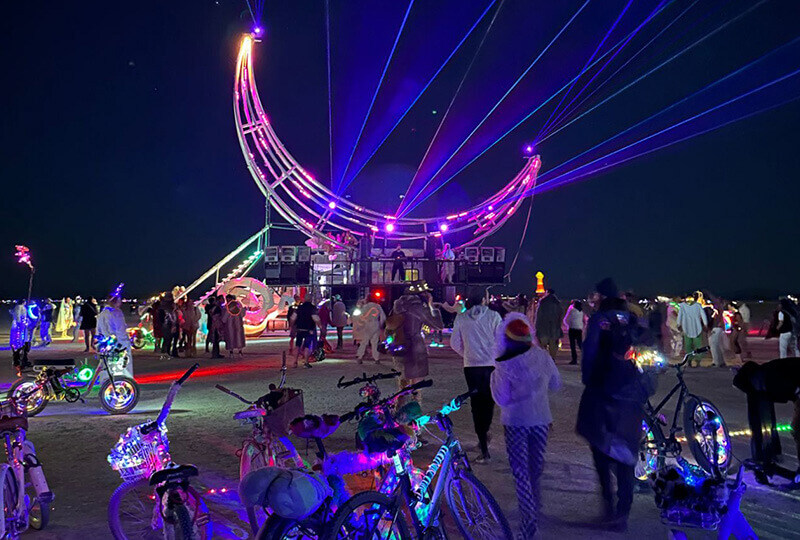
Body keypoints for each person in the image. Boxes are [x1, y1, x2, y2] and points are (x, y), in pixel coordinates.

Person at [576, 278, 654, 532]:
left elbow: (589, 354)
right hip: (631, 391)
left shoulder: (600, 320)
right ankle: (624, 511)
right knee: (627, 455)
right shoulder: (631, 318)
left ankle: (609, 507)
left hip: (603, 392)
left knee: (600, 448)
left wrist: (590, 380)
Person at [491, 312, 560, 538]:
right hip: (540, 419)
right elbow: (556, 384)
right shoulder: (542, 356)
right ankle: (535, 510)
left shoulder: (505, 364)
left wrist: (494, 376)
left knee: (521, 474)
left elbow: (501, 398)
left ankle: (528, 528)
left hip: (516, 422)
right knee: (535, 469)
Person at [451, 293, 502, 464]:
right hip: (490, 365)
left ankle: (483, 444)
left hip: (471, 366)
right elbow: (501, 338)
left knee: (476, 404)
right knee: (488, 402)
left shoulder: (462, 317)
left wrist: (466, 354)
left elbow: (454, 342)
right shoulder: (494, 316)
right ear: (483, 300)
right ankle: (484, 438)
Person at [389, 281, 443, 405]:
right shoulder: (417, 306)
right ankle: (413, 417)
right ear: (421, 293)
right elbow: (438, 325)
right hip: (414, 349)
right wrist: (431, 305)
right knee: (416, 387)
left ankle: (400, 414)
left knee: (402, 384)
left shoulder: (398, 304)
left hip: (398, 346)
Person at [97, 295, 133, 377]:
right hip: (120, 343)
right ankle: (124, 382)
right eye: (119, 301)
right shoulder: (116, 313)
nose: (121, 303)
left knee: (108, 365)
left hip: (106, 343)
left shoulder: (102, 313)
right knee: (123, 364)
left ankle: (106, 382)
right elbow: (120, 329)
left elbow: (98, 330)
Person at [677, 293, 707, 365]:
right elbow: (703, 315)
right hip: (694, 328)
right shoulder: (697, 305)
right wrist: (705, 324)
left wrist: (678, 324)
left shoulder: (684, 306)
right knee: (696, 346)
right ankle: (695, 361)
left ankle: (692, 361)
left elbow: (679, 316)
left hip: (689, 328)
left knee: (689, 346)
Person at [355, 297, 386, 365]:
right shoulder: (378, 306)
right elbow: (383, 317)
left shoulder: (366, 307)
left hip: (368, 324)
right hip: (375, 324)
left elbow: (360, 316)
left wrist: (360, 326)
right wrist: (380, 325)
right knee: (374, 342)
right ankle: (376, 358)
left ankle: (360, 357)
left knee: (364, 341)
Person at [290, 299, 320, 368]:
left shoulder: (299, 308)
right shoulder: (312, 308)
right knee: (307, 346)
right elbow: (315, 318)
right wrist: (320, 325)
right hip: (309, 329)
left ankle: (295, 362)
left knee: (297, 345)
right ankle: (306, 362)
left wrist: (292, 326)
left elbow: (293, 318)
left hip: (299, 329)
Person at [534, 289, 563, 360]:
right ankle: (552, 360)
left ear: (547, 293)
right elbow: (560, 316)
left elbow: (538, 316)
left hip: (543, 327)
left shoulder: (543, 303)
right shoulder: (557, 303)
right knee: (553, 346)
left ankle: (544, 360)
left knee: (542, 346)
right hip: (554, 328)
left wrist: (536, 327)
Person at [706, 297, 728, 368]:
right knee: (718, 346)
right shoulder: (718, 311)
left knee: (714, 346)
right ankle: (719, 361)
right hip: (718, 328)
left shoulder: (717, 311)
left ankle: (717, 362)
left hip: (716, 329)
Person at [563, 300, 585, 365]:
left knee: (573, 345)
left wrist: (568, 325)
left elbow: (566, 319)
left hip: (572, 329)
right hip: (579, 329)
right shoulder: (582, 312)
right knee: (580, 344)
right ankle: (585, 356)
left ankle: (574, 359)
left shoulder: (572, 311)